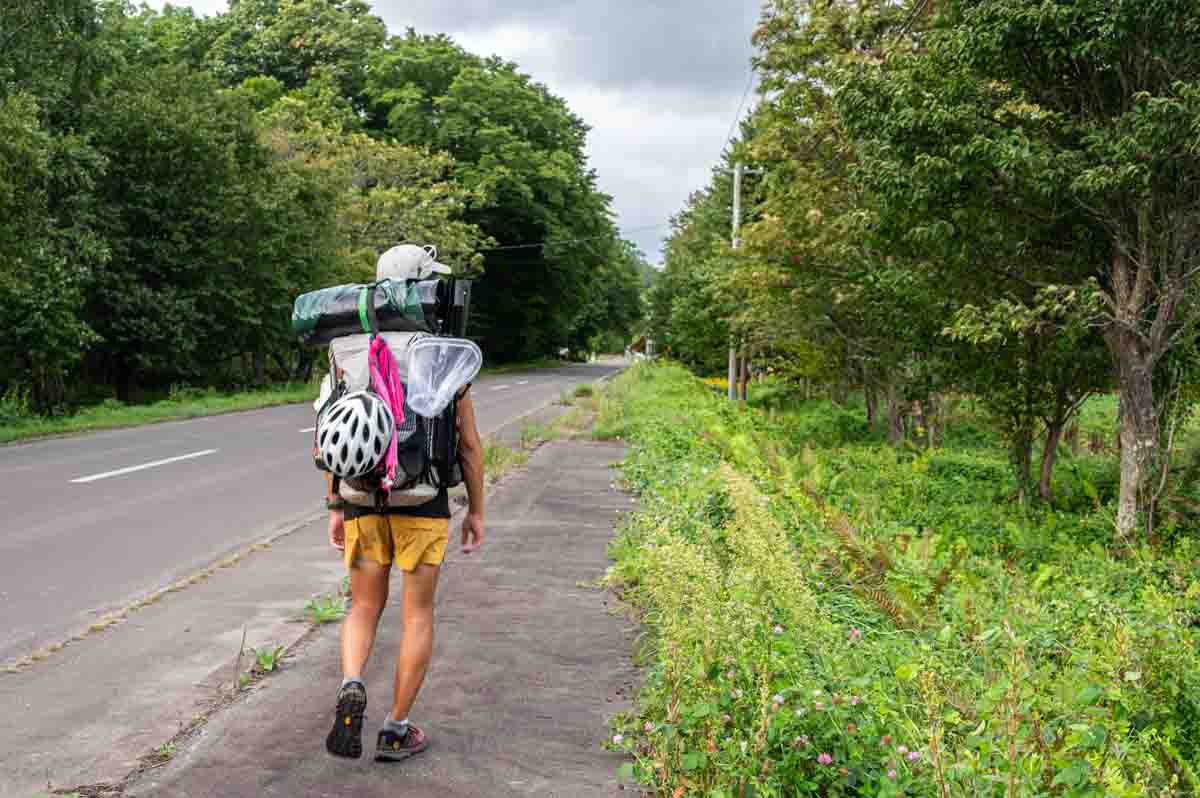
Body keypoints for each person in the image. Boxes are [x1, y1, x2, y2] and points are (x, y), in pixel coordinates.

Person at [323, 243, 486, 763]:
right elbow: (469, 445)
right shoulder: (439, 349)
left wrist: (334, 501)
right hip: (421, 499)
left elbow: (334, 427)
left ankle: (352, 682)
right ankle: (396, 729)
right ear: (419, 286)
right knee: (416, 615)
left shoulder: (345, 347)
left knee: (364, 605)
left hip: (360, 497)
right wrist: (477, 509)